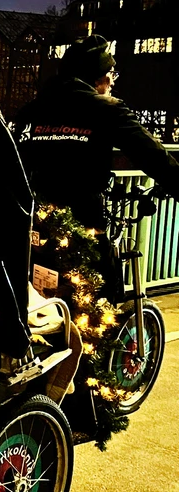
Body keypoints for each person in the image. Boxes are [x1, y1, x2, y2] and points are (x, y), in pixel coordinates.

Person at [14, 34, 179, 296]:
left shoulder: (30, 110)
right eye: (110, 72)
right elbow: (151, 154)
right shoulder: (105, 108)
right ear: (94, 75)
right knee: (101, 295)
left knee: (40, 295)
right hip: (84, 222)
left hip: (32, 223)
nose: (113, 80)